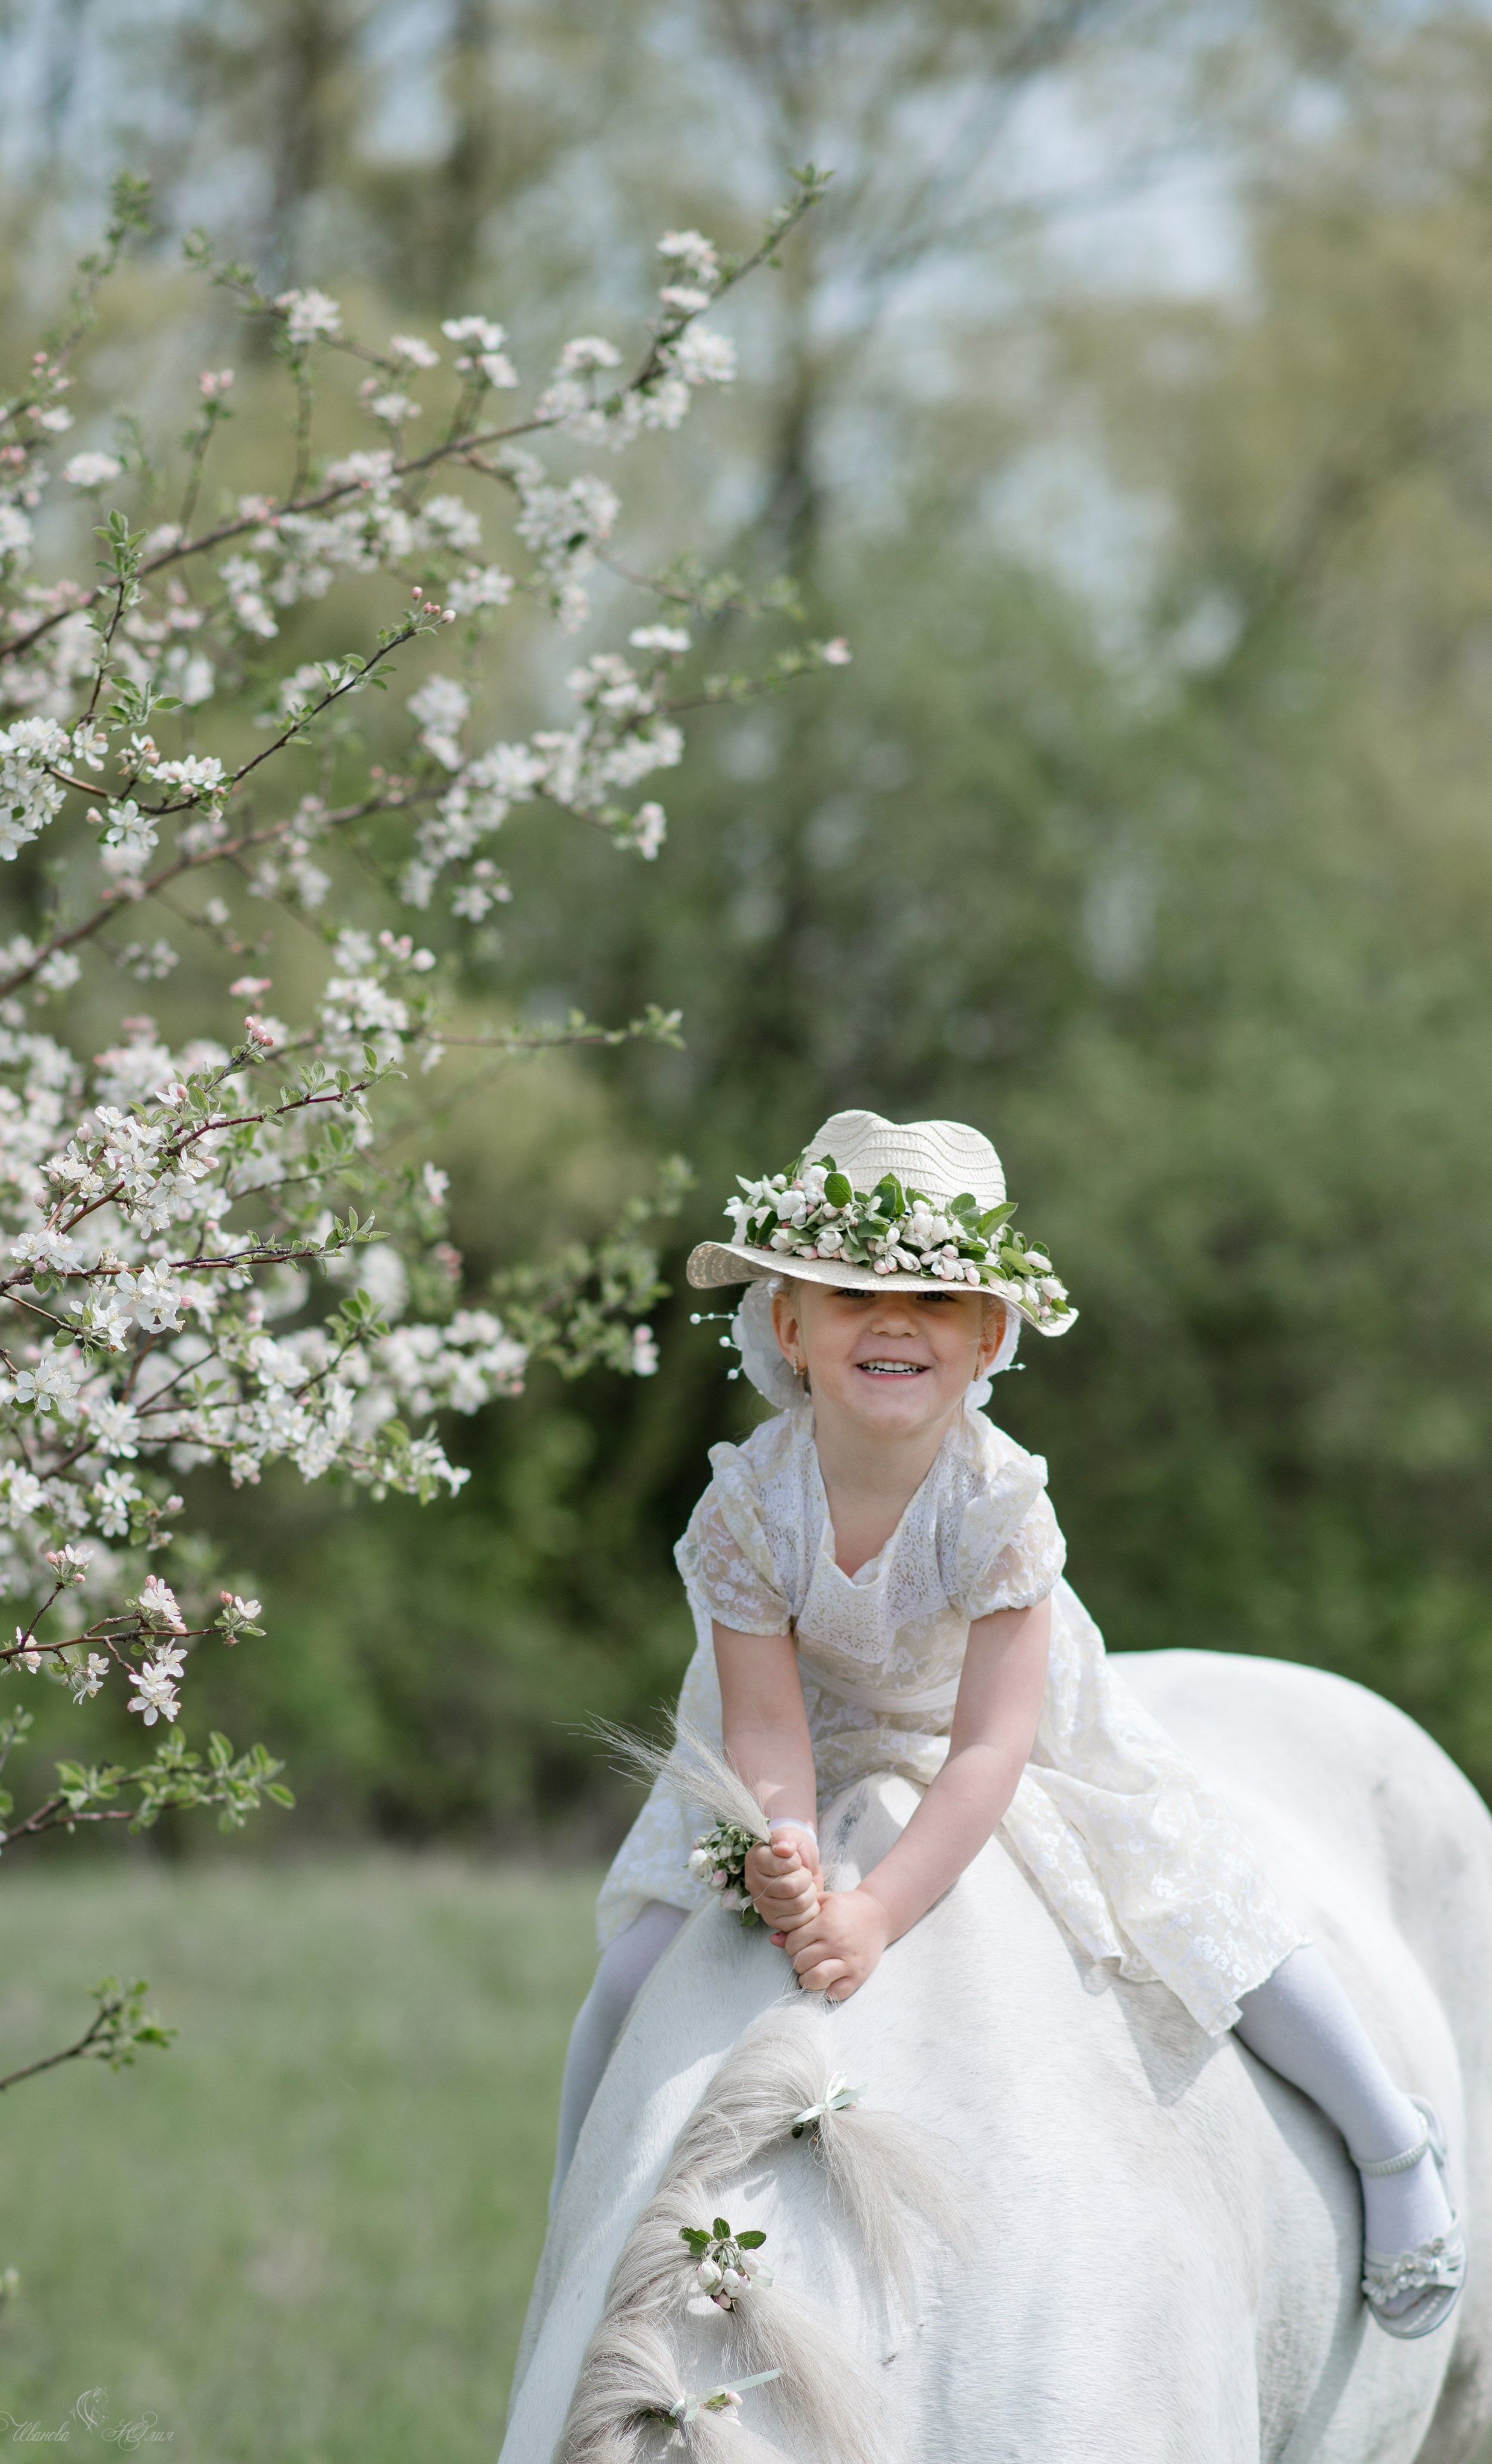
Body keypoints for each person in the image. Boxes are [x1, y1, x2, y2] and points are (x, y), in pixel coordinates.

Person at [552, 1109, 1464, 2339]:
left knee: (1196, 1897)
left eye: (935, 1297)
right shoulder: (746, 1507)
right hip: (803, 1734)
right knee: (628, 1971)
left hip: (1005, 1730)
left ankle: (1389, 2138)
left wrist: (871, 1913)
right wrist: (786, 1843)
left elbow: (989, 1747)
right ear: (788, 1325)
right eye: (854, 1289)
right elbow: (763, 1716)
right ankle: (582, 2236)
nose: (893, 1317)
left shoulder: (996, 1503)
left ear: (987, 1336)